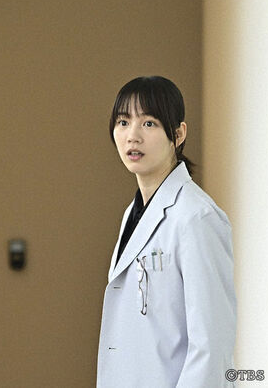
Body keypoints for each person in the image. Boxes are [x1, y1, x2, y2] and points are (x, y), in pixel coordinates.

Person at [97, 76, 236, 387]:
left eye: (149, 123)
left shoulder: (197, 217)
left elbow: (211, 348)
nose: (132, 136)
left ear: (179, 133)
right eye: (123, 122)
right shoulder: (133, 214)